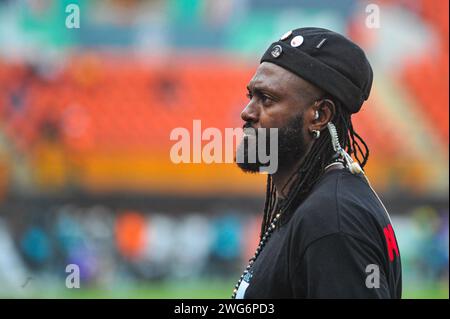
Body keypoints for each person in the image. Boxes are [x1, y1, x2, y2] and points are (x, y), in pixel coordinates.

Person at [233, 27, 402, 299]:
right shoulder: (313, 202)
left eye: (266, 99)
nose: (247, 112)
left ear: (320, 115)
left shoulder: (332, 220)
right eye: (250, 96)